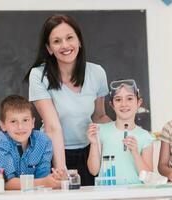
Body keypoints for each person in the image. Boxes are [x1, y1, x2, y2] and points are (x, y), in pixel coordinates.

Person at [24, 14, 111, 185]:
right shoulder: (39, 76)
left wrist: (126, 129)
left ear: (79, 41)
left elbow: (99, 117)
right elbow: (52, 126)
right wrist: (62, 170)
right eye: (56, 41)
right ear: (49, 48)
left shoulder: (97, 73)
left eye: (69, 38)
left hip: (89, 153)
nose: (65, 45)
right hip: (52, 154)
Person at [87, 79, 154, 184]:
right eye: (118, 99)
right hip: (107, 194)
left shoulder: (145, 137)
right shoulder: (100, 131)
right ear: (112, 105)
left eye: (129, 98)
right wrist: (94, 143)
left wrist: (135, 153)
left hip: (135, 195)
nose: (124, 104)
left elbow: (149, 178)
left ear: (139, 102)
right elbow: (93, 170)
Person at [0, 95, 61, 190]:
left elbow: (43, 178)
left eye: (25, 120)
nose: (20, 127)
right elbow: (6, 183)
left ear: (33, 122)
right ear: (3, 125)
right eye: (13, 121)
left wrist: (54, 180)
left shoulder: (43, 141)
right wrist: (44, 182)